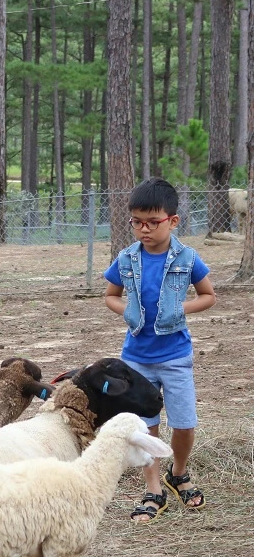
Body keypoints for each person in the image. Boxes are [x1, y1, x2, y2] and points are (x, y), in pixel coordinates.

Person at [103, 177, 216, 523]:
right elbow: (110, 296)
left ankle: (178, 473)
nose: (144, 229)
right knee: (146, 426)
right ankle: (153, 489)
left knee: (183, 423)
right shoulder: (126, 259)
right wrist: (129, 312)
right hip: (136, 360)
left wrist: (180, 309)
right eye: (137, 222)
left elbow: (208, 296)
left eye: (153, 222)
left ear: (173, 220)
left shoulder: (188, 258)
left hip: (176, 358)